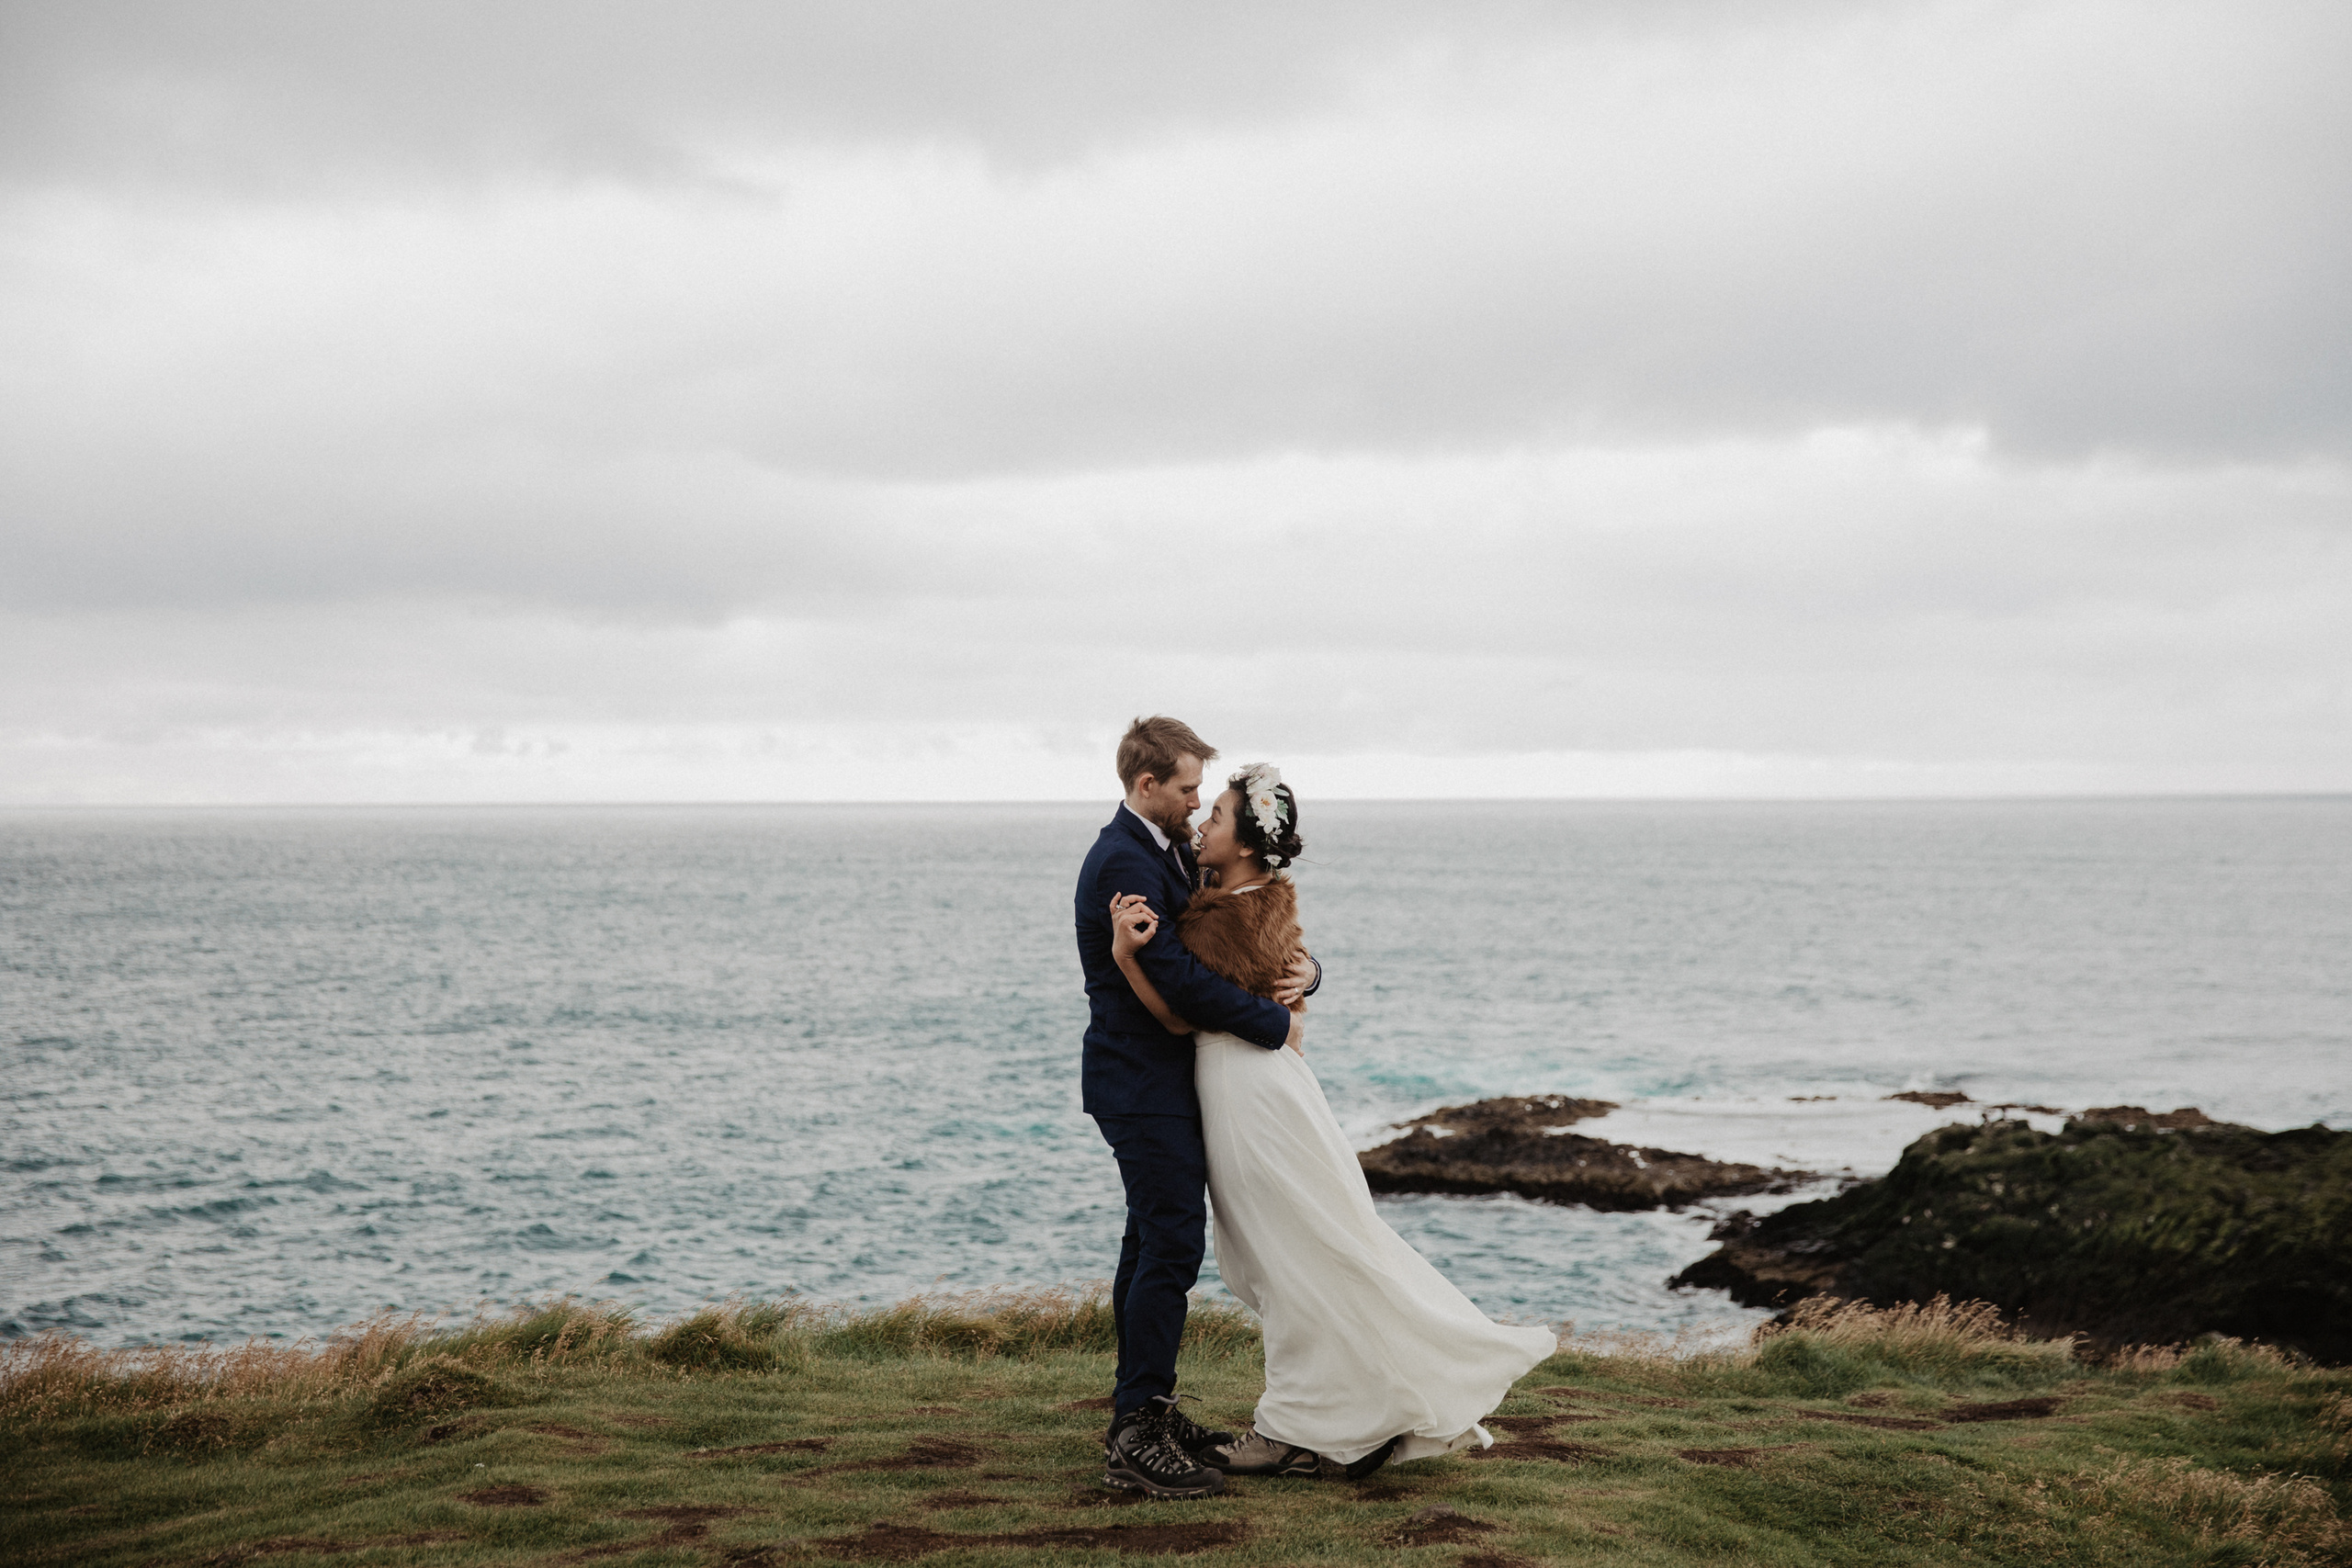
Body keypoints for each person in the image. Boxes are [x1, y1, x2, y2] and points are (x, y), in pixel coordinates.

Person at [1110, 763, 1557, 1482]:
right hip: (1266, 1089)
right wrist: (1307, 977)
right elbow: (1280, 972)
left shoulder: (1220, 918)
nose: (1202, 823)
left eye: (1217, 816)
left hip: (1247, 1096)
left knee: (1283, 1261)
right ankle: (1345, 1413)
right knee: (1301, 1253)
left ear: (1248, 846)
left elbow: (1177, 1011)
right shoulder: (1256, 900)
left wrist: (1126, 957)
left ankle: (1292, 1430)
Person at [1072, 716, 1320, 1498]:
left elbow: (1244, 929)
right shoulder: (1121, 859)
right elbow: (1179, 979)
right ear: (1148, 785)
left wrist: (1306, 973)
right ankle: (1137, 1430)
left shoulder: (1170, 849)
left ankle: (1142, 1410)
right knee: (1173, 1247)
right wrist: (1278, 1024)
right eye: (1186, 790)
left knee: (1148, 1243)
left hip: (1170, 1082)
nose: (1194, 803)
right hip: (1141, 1085)